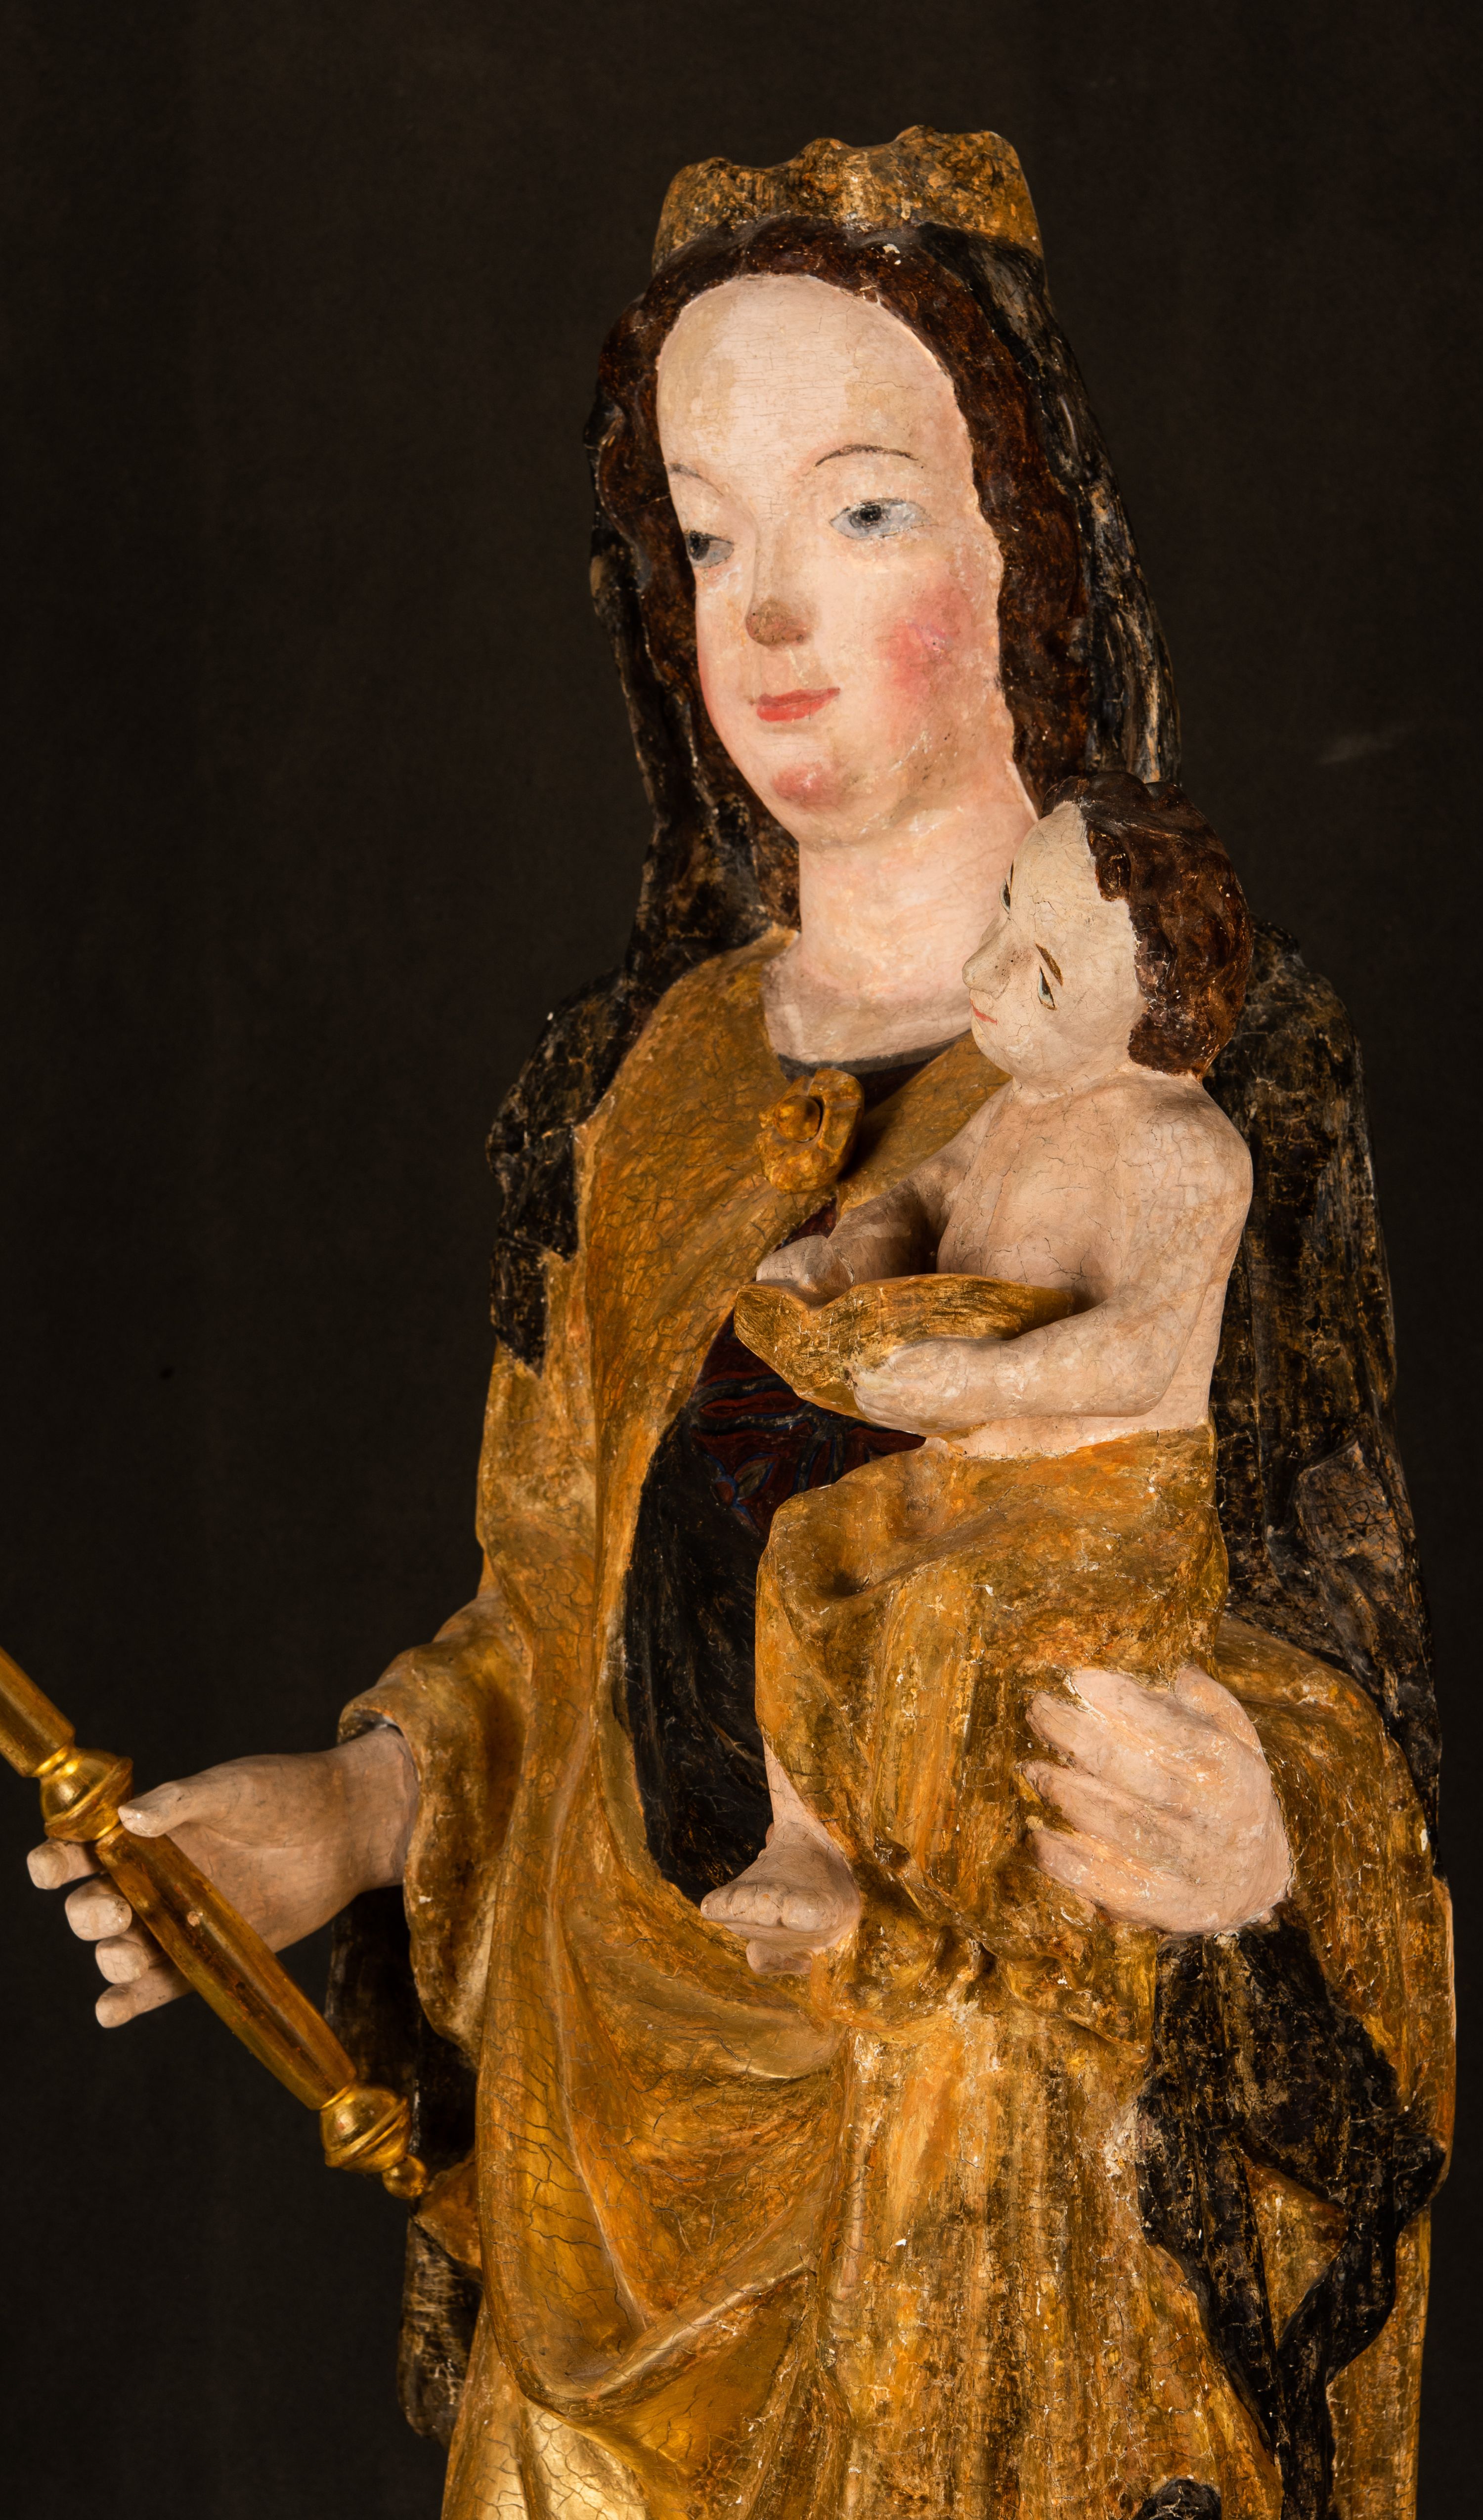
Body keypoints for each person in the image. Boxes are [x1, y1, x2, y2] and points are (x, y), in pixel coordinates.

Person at [25, 131, 1450, 2520]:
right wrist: (354, 1809)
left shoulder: (1208, 1074)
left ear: (1025, 549)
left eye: (862, 513)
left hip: (1000, 2193)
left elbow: (1322, 1640)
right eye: (707, 536)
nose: (769, 608)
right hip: (614, 2177)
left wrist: (1266, 1838)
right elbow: (565, 1603)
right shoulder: (644, 1083)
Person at [701, 776, 1277, 1974]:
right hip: (964, 1481)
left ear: (1149, 1017)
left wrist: (974, 1388)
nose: (986, 967)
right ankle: (806, 1843)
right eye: (1008, 909)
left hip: (1107, 1509)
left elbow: (1140, 1351)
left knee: (942, 1611)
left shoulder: (1182, 1148)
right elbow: (920, 1196)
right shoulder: (1018, 1104)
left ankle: (933, 1902)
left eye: (1044, 973)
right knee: (809, 1551)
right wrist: (848, 1257)